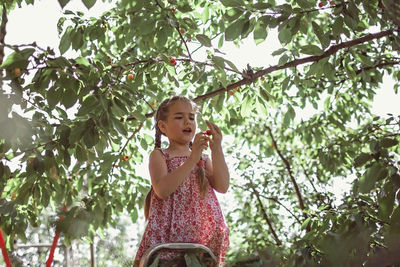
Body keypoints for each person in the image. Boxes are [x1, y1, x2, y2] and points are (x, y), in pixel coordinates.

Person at [134, 96, 230, 266]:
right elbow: (162, 190)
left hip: (201, 242)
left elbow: (222, 186)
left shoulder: (202, 158)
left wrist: (217, 148)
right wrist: (191, 160)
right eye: (179, 117)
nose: (187, 122)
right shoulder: (160, 155)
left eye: (191, 118)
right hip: (168, 241)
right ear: (163, 126)